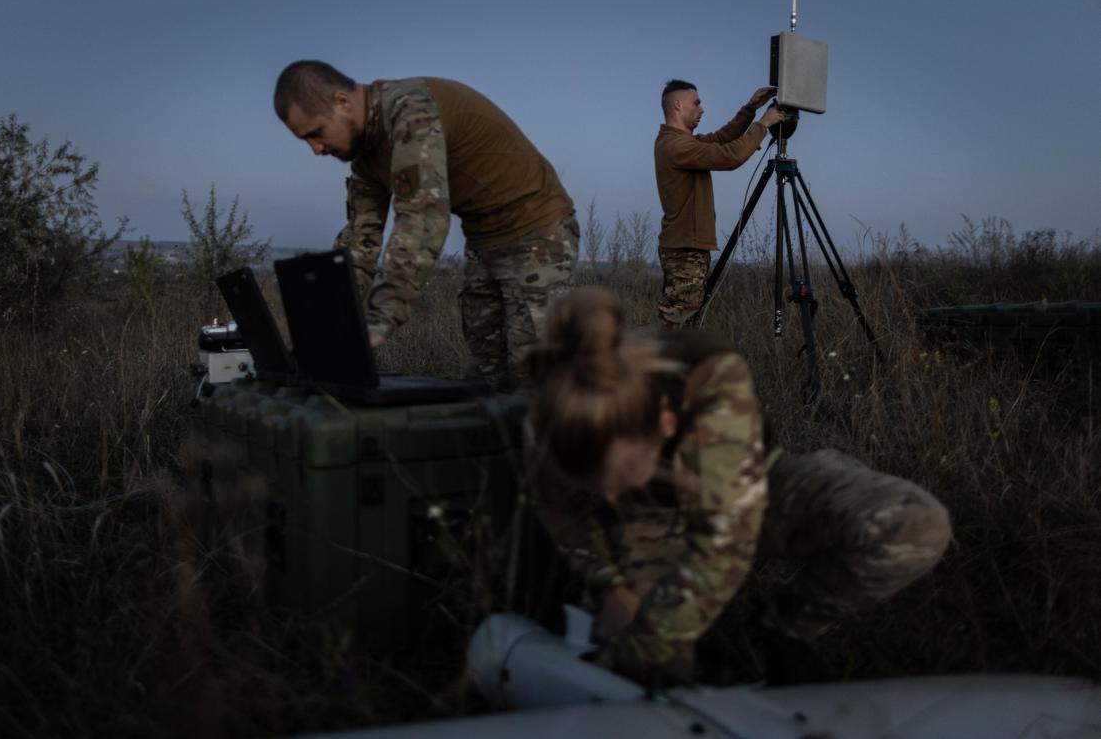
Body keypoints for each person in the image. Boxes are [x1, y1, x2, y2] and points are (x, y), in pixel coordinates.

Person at [526, 287, 952, 683]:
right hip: (649, 519)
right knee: (659, 675)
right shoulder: (561, 407)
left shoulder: (710, 372)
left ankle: (782, 626)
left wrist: (644, 643)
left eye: (621, 477)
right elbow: (560, 509)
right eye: (594, 487)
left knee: (913, 525)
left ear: (665, 424)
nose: (608, 498)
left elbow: (726, 538)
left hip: (747, 486)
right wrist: (611, 584)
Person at [273, 60, 578, 389]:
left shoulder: (410, 112)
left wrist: (381, 317)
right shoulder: (365, 156)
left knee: (536, 377)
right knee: (487, 374)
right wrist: (323, 326)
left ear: (342, 101)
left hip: (538, 233)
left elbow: (423, 219)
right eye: (305, 140)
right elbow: (360, 241)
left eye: (316, 133)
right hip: (483, 240)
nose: (315, 149)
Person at [654, 80, 787, 329]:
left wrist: (750, 109)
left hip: (686, 246)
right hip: (684, 249)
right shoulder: (675, 146)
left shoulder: (682, 142)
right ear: (678, 105)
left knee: (682, 321)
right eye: (696, 103)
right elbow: (730, 156)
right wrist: (763, 124)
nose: (702, 109)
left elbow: (722, 138)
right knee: (677, 324)